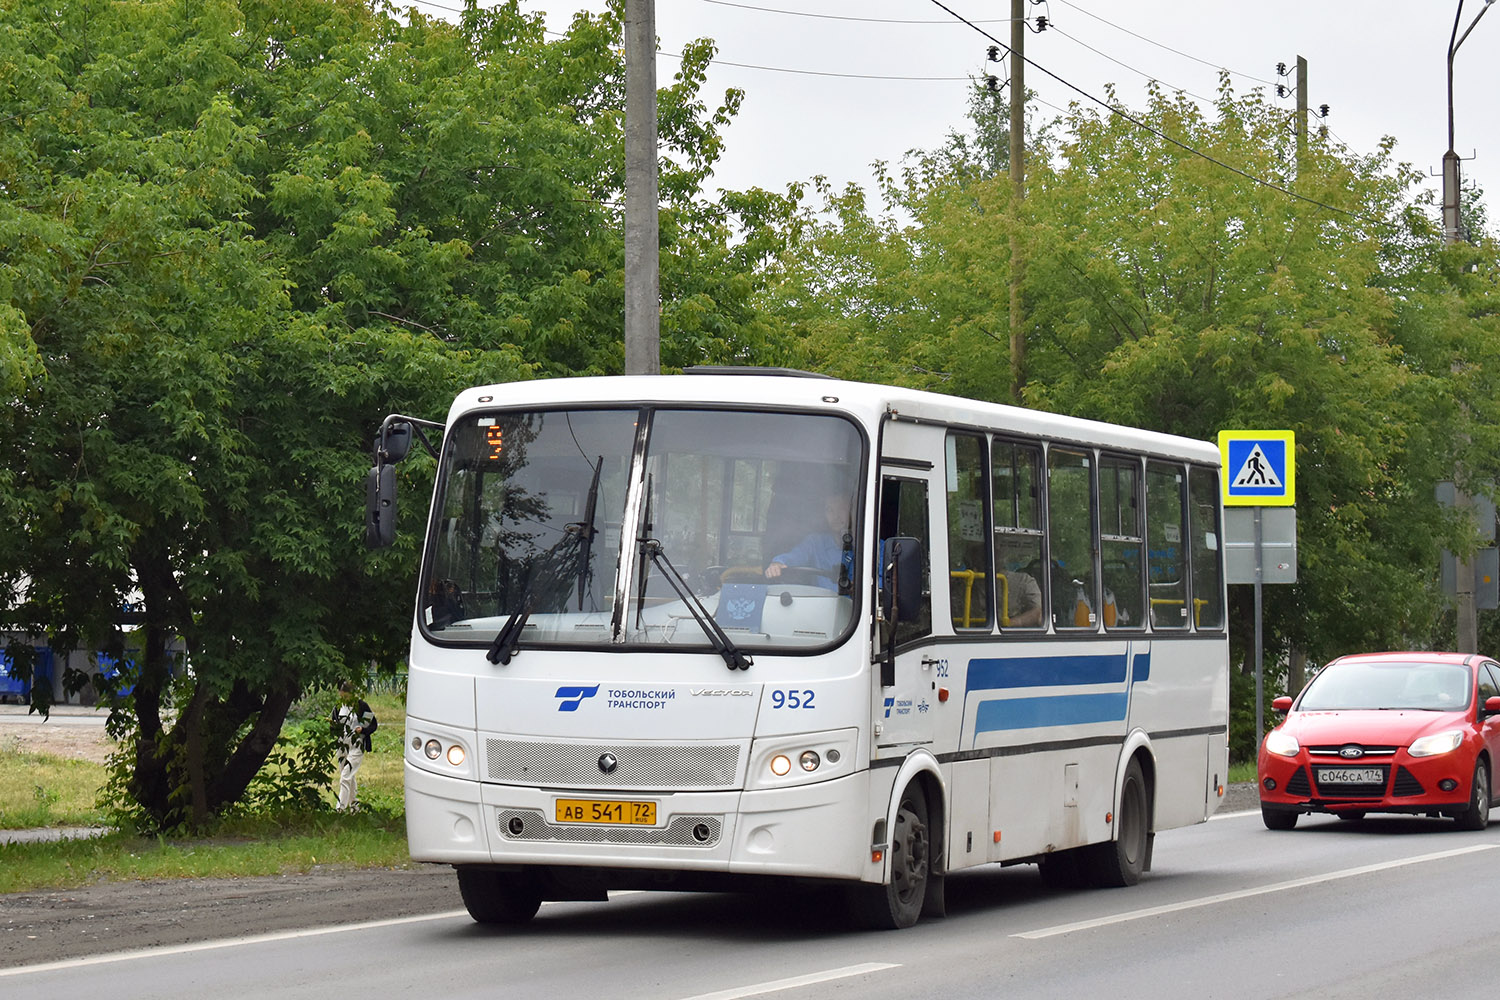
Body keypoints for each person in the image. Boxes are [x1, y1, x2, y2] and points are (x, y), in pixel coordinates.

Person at [764, 491, 853, 591]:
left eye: (841, 509)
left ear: (851, 511)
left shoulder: (864, 543)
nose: (835, 516)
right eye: (829, 510)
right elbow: (795, 556)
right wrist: (778, 563)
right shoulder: (815, 542)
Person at [330, 681, 377, 812]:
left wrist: (362, 729)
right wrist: (334, 727)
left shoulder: (361, 706)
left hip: (358, 744)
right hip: (342, 744)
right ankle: (355, 807)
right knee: (349, 775)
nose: (343, 698)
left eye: (345, 696)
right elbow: (334, 725)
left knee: (345, 775)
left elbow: (373, 725)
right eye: (341, 695)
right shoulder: (338, 707)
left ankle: (340, 808)